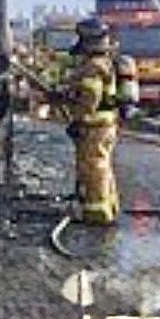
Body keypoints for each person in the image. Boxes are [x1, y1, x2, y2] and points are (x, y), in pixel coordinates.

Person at [60, 16, 121, 225]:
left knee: (94, 165)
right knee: (102, 164)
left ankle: (97, 212)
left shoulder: (93, 66)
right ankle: (108, 205)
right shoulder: (105, 62)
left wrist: (79, 119)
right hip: (105, 123)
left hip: (94, 123)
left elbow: (90, 96)